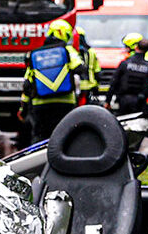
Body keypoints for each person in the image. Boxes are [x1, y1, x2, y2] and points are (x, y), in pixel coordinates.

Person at [21, 19, 85, 148]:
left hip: (40, 105)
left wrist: (23, 109)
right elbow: (80, 68)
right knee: (64, 137)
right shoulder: (68, 51)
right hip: (65, 103)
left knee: (39, 138)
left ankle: (36, 164)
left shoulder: (37, 54)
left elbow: (27, 84)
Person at [105, 32, 148, 117]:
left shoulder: (124, 64)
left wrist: (108, 101)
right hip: (140, 102)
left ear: (136, 47)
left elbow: (114, 83)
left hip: (123, 101)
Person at [73, 24, 101, 104]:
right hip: (90, 85)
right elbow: (97, 70)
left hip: (77, 86)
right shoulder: (91, 51)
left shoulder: (72, 52)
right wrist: (97, 84)